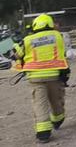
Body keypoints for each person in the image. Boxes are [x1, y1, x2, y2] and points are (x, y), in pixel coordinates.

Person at [13, 14, 69, 143]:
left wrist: (16, 45)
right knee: (56, 99)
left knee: (40, 103)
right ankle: (58, 119)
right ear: (50, 24)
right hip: (54, 75)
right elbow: (62, 52)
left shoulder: (27, 39)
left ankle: (43, 132)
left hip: (35, 77)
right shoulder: (58, 36)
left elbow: (17, 55)